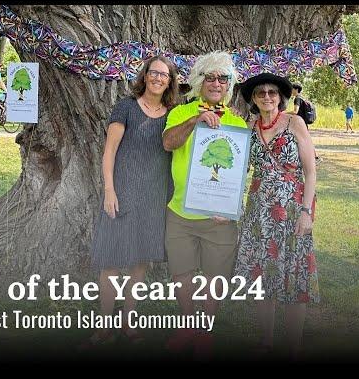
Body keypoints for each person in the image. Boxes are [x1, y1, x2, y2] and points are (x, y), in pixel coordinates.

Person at [83, 55, 179, 349]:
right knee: (111, 260)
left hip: (154, 197)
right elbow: (109, 151)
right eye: (154, 72)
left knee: (140, 260)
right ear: (145, 75)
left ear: (170, 81)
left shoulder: (173, 114)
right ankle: (105, 325)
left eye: (164, 75)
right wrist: (109, 190)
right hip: (122, 193)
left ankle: (128, 321)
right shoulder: (126, 107)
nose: (158, 78)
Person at [162, 51, 247, 359]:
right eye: (209, 77)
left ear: (229, 84)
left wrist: (231, 206)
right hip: (180, 211)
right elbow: (168, 143)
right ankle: (187, 327)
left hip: (218, 217)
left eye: (222, 78)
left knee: (215, 276)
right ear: (199, 82)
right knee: (182, 273)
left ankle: (205, 331)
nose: (215, 83)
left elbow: (240, 170)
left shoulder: (238, 123)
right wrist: (197, 120)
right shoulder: (179, 113)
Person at [234, 72, 320, 359]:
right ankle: (266, 340)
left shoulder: (295, 123)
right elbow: (238, 170)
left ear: (281, 97)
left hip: (293, 208)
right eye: (261, 93)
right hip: (259, 210)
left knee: (294, 273)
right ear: (253, 99)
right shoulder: (248, 127)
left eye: (272, 92)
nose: (267, 97)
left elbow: (310, 172)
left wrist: (307, 211)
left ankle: (293, 344)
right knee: (262, 272)